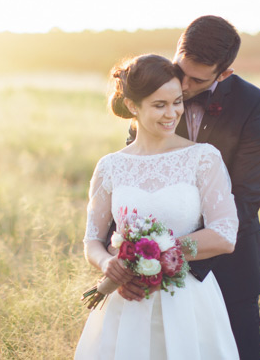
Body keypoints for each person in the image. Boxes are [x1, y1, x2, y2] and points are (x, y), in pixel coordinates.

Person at [120, 16, 260, 360]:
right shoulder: (155, 86)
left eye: (198, 79)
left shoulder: (255, 106)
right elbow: (134, 176)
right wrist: (130, 258)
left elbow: (246, 199)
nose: (184, 85)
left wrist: (169, 254)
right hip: (150, 273)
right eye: (181, 70)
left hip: (228, 266)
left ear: (224, 74)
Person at [75, 54, 240, 359]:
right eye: (159, 105)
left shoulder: (203, 158)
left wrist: (154, 255)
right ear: (133, 106)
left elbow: (225, 234)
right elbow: (92, 241)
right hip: (127, 301)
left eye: (177, 102)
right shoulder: (111, 166)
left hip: (188, 301)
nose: (172, 113)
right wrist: (106, 264)